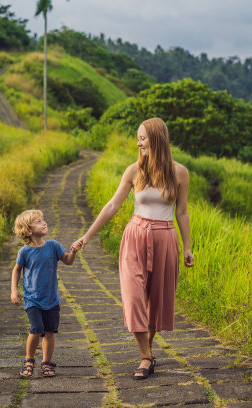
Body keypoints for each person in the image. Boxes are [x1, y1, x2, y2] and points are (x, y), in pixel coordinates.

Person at [71, 117, 194, 380]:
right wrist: (87, 236)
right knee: (133, 297)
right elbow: (112, 206)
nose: (138, 142)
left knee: (155, 301)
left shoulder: (180, 172)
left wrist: (187, 248)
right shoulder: (133, 171)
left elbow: (182, 213)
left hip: (165, 237)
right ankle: (146, 356)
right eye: (138, 138)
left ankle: (146, 354)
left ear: (157, 139)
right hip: (135, 236)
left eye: (142, 137)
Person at [11, 209, 78, 378]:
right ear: (28, 230)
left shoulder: (53, 246)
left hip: (51, 299)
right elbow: (17, 269)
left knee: (49, 332)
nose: (44, 223)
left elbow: (68, 261)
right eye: (38, 221)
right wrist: (14, 289)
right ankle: (29, 360)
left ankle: (46, 363)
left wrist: (74, 252)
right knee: (36, 329)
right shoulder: (25, 251)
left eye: (43, 220)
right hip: (32, 299)